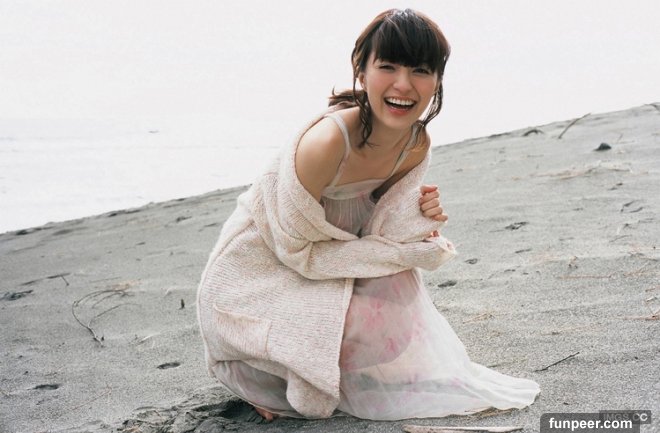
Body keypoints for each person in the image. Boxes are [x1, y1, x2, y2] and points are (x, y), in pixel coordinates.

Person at [197, 8, 540, 422]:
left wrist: (419, 219)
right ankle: (264, 375)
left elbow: (378, 230)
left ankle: (307, 369)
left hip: (323, 265)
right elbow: (295, 250)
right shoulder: (327, 143)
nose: (403, 85)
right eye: (388, 66)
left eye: (420, 70)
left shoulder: (414, 144)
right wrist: (400, 251)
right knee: (383, 293)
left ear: (437, 80)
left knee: (397, 302)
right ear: (361, 71)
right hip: (254, 279)